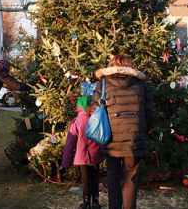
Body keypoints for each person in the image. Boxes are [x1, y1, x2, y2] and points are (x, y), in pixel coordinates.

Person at [92, 54, 155, 209]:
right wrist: (143, 129)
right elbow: (151, 112)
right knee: (131, 176)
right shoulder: (140, 83)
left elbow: (95, 110)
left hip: (111, 137)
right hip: (134, 138)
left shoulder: (103, 83)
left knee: (113, 176)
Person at [62, 97, 104, 209]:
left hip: (81, 157)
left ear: (79, 107)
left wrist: (66, 161)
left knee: (85, 179)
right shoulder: (96, 118)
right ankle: (95, 202)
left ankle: (86, 203)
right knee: (95, 179)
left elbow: (70, 143)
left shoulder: (76, 121)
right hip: (95, 155)